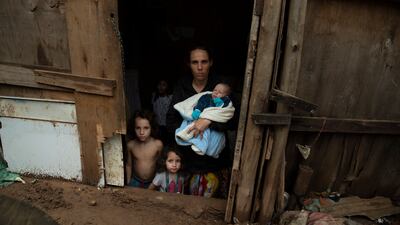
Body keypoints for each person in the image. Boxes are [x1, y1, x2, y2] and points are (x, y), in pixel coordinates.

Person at [166, 45, 237, 197]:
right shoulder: (182, 86)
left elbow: (234, 120)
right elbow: (171, 120)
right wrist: (188, 133)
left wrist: (208, 121)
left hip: (215, 162)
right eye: (195, 62)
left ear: (211, 63)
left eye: (204, 62)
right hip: (187, 161)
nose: (199, 67)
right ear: (188, 64)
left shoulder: (221, 87)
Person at [174, 83, 235, 158]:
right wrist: (197, 110)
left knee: (207, 133)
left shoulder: (226, 101)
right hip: (199, 117)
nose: (216, 92)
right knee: (190, 124)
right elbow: (201, 103)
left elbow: (227, 112)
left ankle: (200, 146)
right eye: (215, 90)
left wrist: (220, 103)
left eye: (220, 92)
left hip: (213, 120)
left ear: (225, 96)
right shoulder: (207, 97)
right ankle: (184, 135)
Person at [125, 111, 163, 188]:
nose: (141, 132)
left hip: (153, 181)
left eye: (146, 128)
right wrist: (128, 182)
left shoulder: (157, 145)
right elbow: (128, 165)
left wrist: (157, 182)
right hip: (135, 181)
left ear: (152, 127)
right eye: (138, 128)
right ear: (133, 128)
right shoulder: (131, 145)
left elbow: (161, 165)